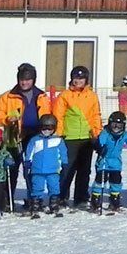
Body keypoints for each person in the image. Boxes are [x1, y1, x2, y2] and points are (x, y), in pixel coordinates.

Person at [0, 63, 46, 205]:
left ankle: (33, 197)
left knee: (33, 168)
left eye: (28, 79)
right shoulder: (8, 96)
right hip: (14, 136)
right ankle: (7, 199)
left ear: (33, 80)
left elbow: (48, 114)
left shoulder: (41, 96)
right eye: (22, 79)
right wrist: (7, 119)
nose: (24, 82)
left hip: (35, 136)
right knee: (12, 167)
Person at [52, 65, 102, 209]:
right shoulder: (65, 95)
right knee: (67, 168)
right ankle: (61, 196)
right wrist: (59, 134)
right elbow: (58, 115)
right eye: (75, 78)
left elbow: (95, 116)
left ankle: (80, 197)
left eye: (81, 78)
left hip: (86, 138)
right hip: (70, 137)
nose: (78, 81)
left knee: (84, 169)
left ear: (86, 79)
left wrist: (96, 134)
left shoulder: (92, 96)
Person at [90, 112, 127, 212]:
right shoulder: (106, 133)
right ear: (109, 124)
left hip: (116, 163)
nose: (116, 127)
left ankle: (114, 199)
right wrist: (99, 147)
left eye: (119, 125)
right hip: (103, 161)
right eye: (114, 125)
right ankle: (95, 199)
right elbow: (100, 142)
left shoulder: (125, 135)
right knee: (100, 181)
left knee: (116, 181)